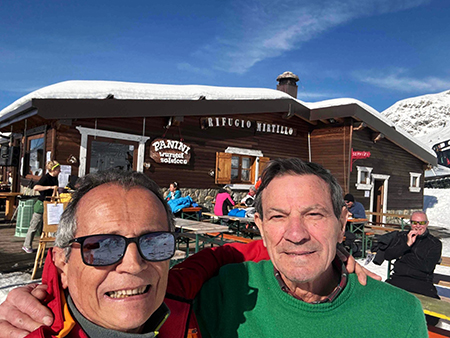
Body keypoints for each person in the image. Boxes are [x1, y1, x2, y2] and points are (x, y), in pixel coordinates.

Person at [0, 167, 378, 338]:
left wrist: (317, 251)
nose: (133, 265)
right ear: (63, 261)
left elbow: (229, 255)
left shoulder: (179, 294)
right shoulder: (28, 329)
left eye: (154, 242)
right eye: (103, 247)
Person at [194, 158, 427, 337]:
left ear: (341, 224)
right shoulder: (227, 291)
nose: (296, 234)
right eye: (278, 217)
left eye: (314, 214)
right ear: (261, 228)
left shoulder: (398, 313)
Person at [385, 211, 442, 325]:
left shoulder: (434, 243)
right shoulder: (402, 237)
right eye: (414, 222)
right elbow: (388, 255)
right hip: (399, 279)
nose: (418, 226)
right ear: (410, 223)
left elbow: (427, 266)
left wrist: (404, 256)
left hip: (421, 282)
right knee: (382, 303)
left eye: (421, 222)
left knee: (430, 317)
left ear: (427, 224)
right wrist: (407, 245)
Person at [22, 161, 61, 254]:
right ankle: (27, 245)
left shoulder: (55, 178)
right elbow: (36, 187)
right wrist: (49, 187)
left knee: (53, 225)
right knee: (34, 226)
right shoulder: (46, 178)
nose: (60, 171)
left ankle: (56, 244)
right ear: (53, 170)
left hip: (50, 205)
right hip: (41, 204)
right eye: (58, 170)